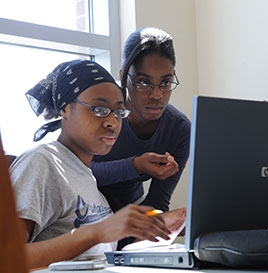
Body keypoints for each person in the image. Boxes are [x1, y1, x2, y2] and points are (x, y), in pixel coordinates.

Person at [9, 59, 185, 269]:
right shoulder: (42, 163)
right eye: (99, 109)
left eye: (119, 112)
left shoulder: (86, 177)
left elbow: (95, 260)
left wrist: (158, 226)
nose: (112, 122)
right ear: (65, 108)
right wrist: (98, 231)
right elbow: (7, 256)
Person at [91, 27, 191, 213]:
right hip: (82, 212)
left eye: (166, 82)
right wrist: (134, 165)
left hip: (132, 210)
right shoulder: (100, 112)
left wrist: (165, 223)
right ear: (123, 77)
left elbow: (158, 203)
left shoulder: (179, 129)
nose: (156, 95)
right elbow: (78, 172)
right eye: (144, 82)